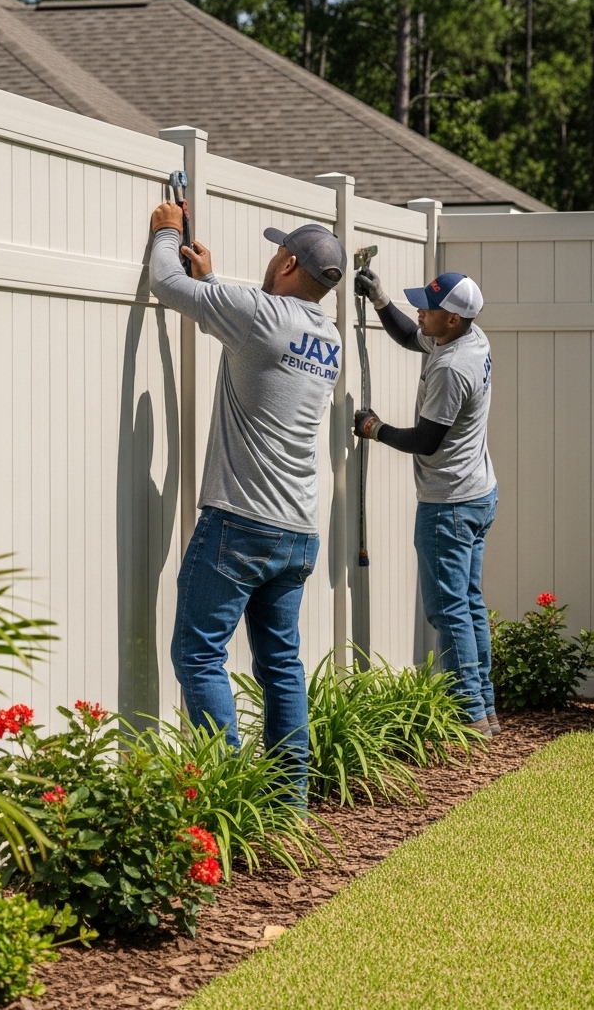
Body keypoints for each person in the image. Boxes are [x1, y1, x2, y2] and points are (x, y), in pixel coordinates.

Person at [149, 202, 346, 801]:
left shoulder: (259, 316)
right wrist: (213, 283)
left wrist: (164, 230)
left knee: (200, 655)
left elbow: (165, 283)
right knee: (280, 666)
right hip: (297, 530)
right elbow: (256, 341)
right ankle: (286, 805)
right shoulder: (329, 338)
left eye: (275, 250)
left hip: (239, 523)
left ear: (287, 262)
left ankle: (225, 794)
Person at [353, 267, 499, 737]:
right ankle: (485, 707)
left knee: (447, 609)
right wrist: (379, 298)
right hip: (477, 493)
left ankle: (468, 715)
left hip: (449, 505)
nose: (420, 310)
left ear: (452, 320)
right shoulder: (468, 341)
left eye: (429, 307)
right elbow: (409, 335)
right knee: (468, 604)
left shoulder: (453, 367)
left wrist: (374, 429)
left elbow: (426, 440)